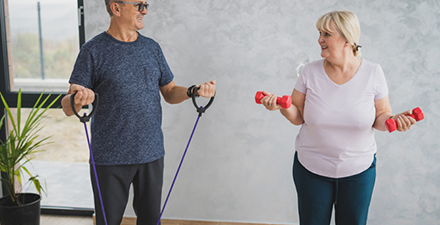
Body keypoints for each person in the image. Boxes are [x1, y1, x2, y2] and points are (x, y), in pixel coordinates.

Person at [61, 1, 216, 224]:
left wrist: (194, 91)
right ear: (116, 8)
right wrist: (77, 99)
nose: (145, 10)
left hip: (151, 153)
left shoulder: (152, 48)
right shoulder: (93, 51)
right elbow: (67, 106)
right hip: (109, 158)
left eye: (146, 5)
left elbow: (170, 92)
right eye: (138, 5)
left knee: (151, 221)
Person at [259, 11, 417, 225]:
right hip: (311, 169)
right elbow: (298, 116)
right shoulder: (309, 71)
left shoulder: (373, 72)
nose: (319, 39)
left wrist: (395, 121)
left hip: (358, 171)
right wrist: (280, 107)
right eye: (319, 33)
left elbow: (381, 117)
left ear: (347, 39)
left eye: (326, 34)